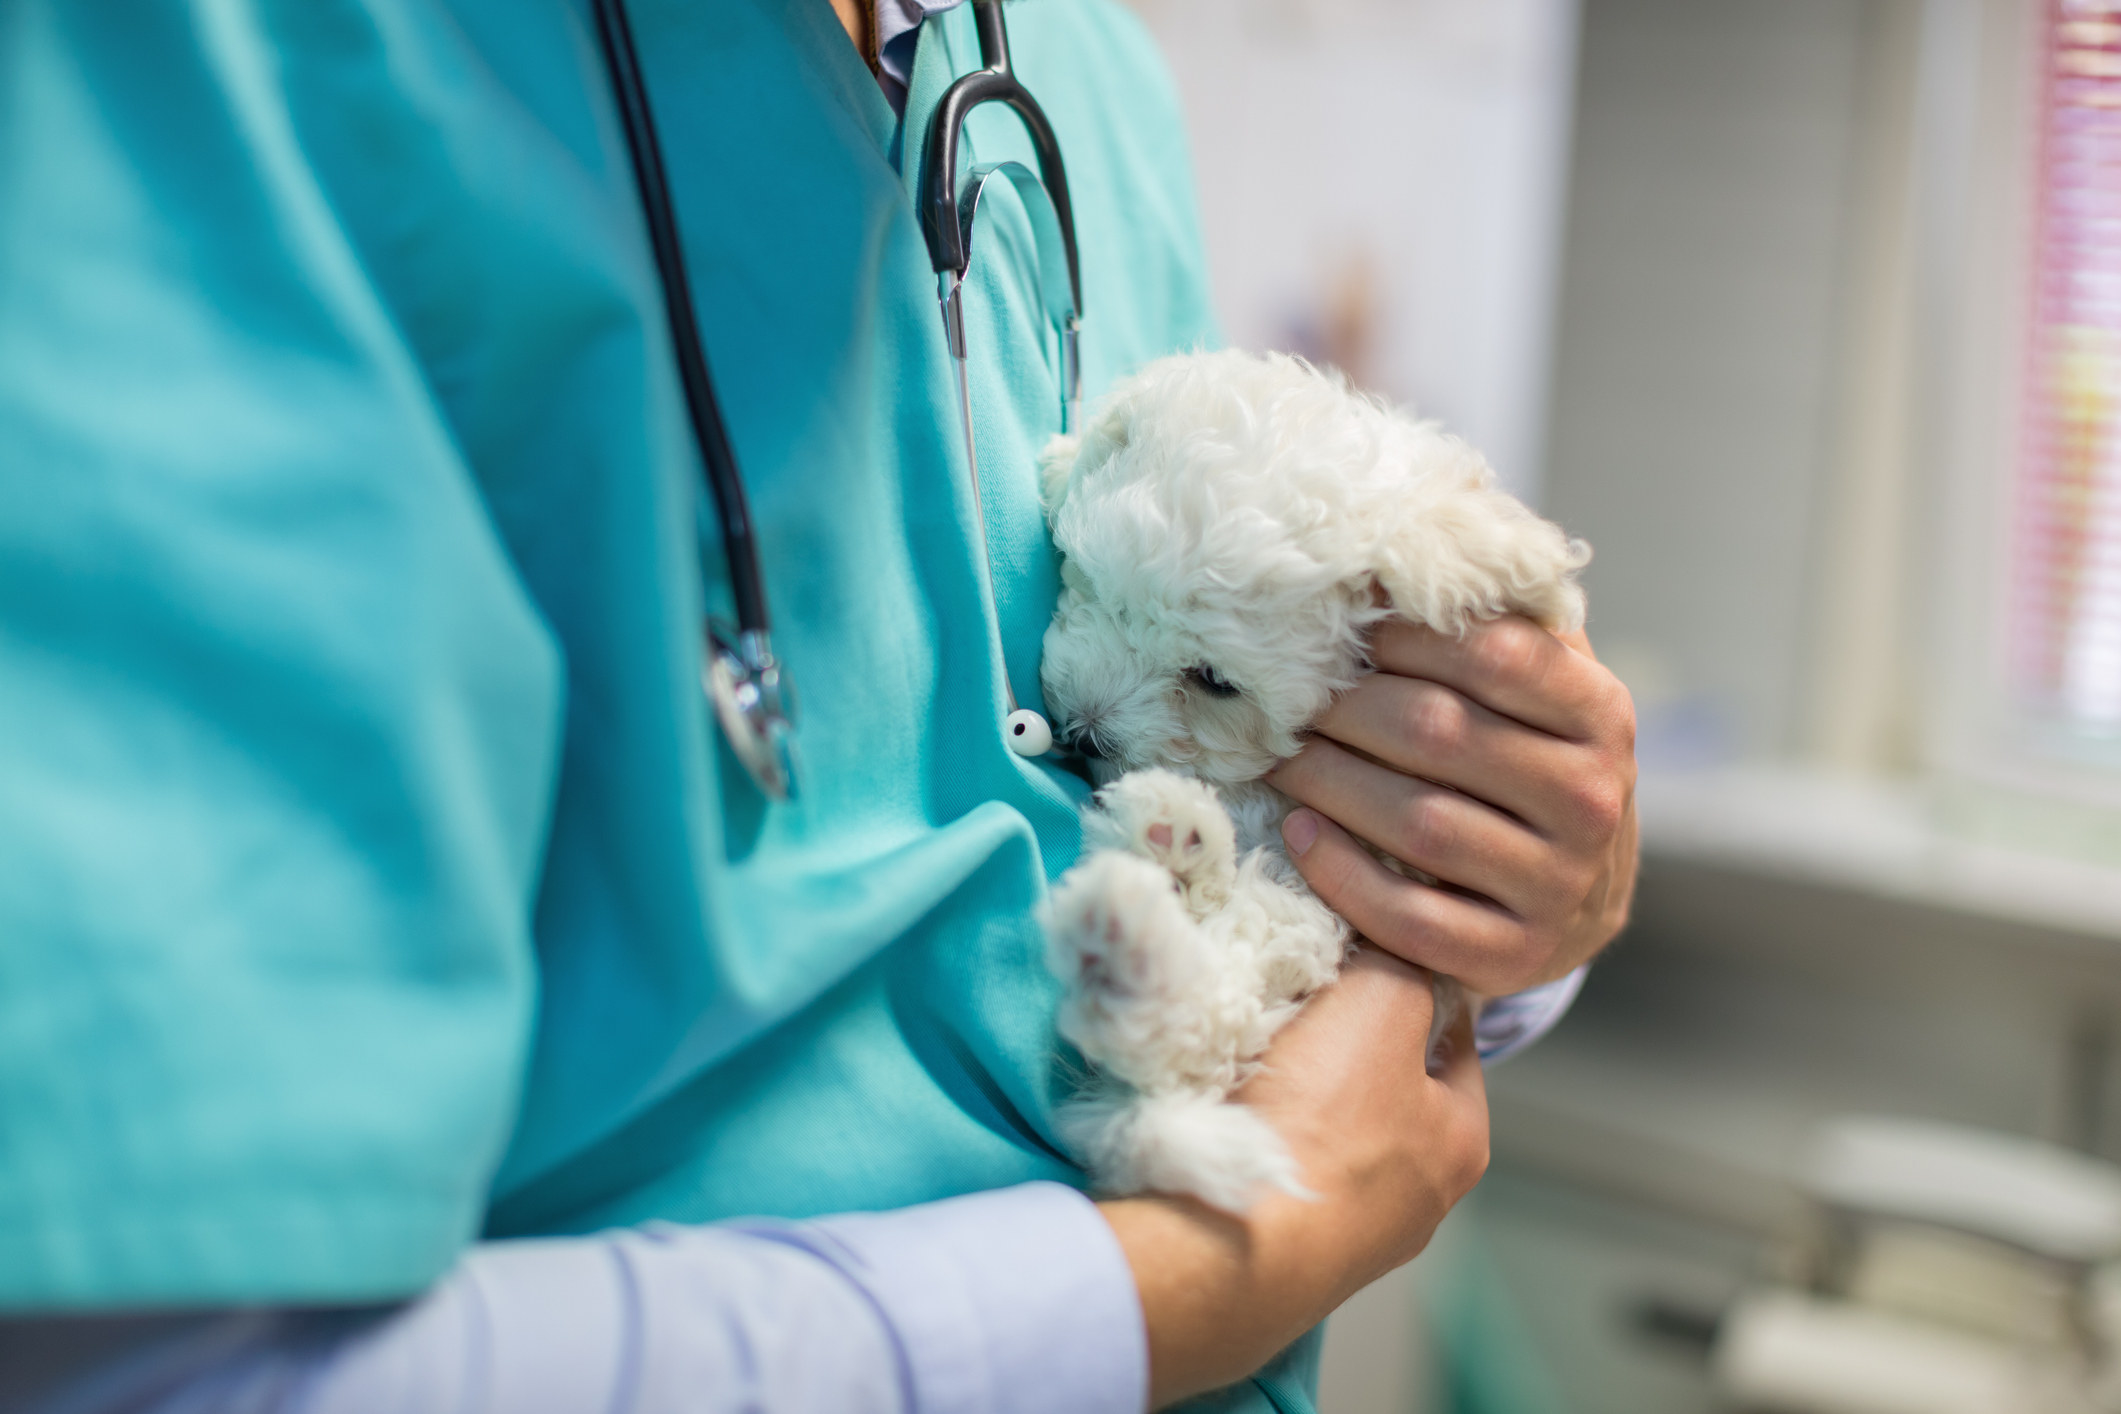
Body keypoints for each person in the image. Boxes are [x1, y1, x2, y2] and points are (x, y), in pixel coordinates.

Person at [0, 1, 1638, 1410]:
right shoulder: (221, 68)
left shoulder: (1073, 74)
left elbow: (1126, 774)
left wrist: (1490, 884)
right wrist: (1179, 1277)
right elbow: (157, 1374)